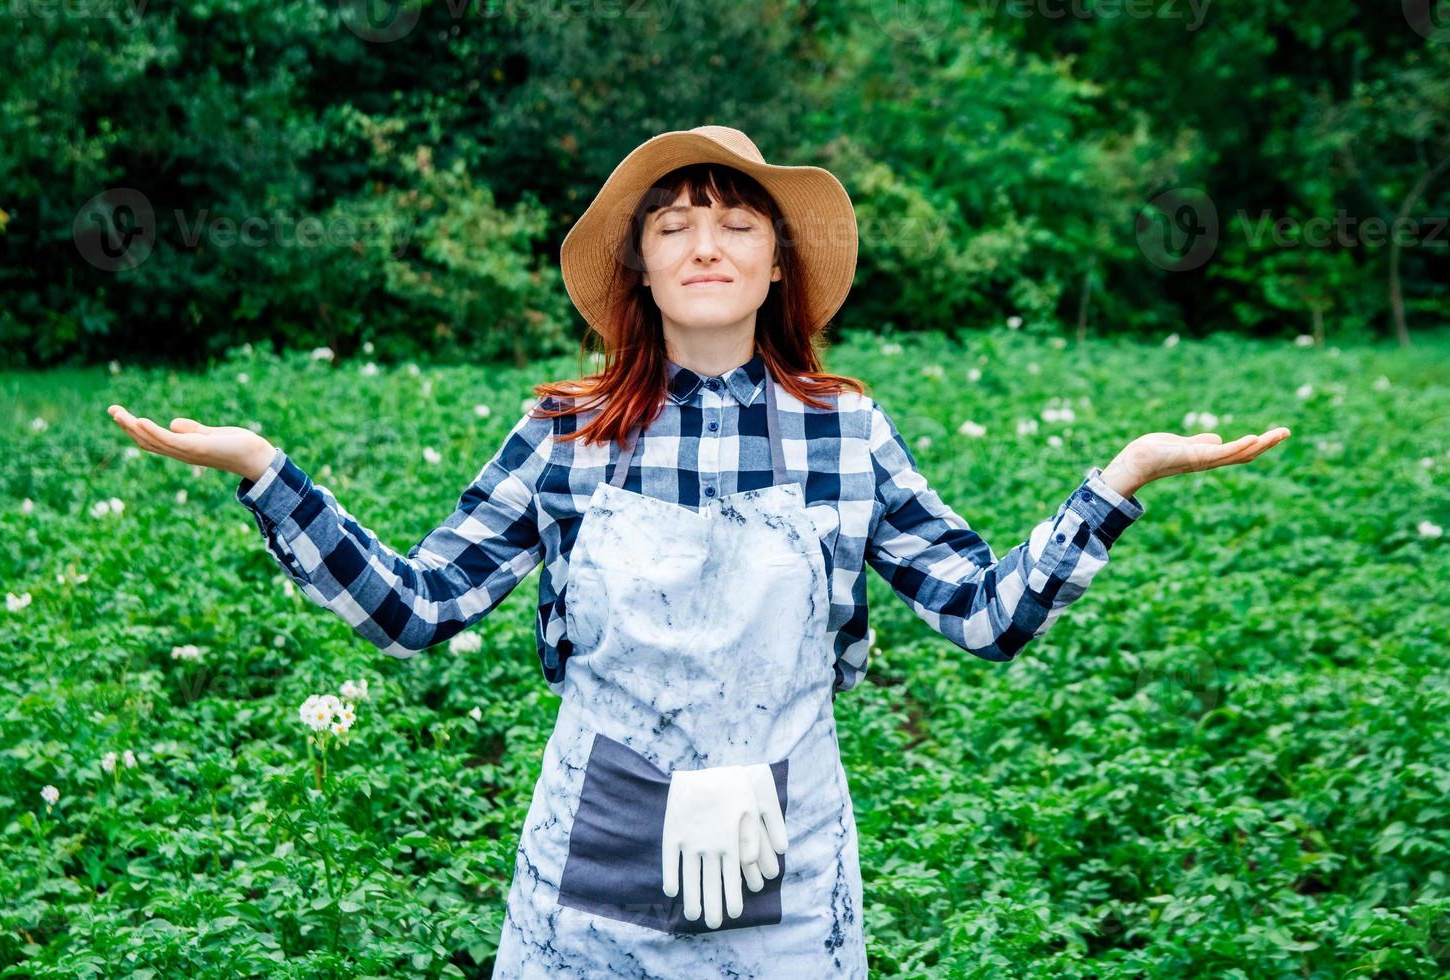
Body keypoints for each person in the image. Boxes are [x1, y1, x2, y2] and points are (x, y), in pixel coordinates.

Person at [105, 125, 1290, 977]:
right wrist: (269, 472)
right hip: (597, 840)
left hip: (791, 837)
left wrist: (1116, 482)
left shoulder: (845, 430)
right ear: (643, 271)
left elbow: (985, 615)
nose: (705, 242)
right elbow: (420, 608)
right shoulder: (564, 432)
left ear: (779, 263)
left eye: (736, 222)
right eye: (674, 225)